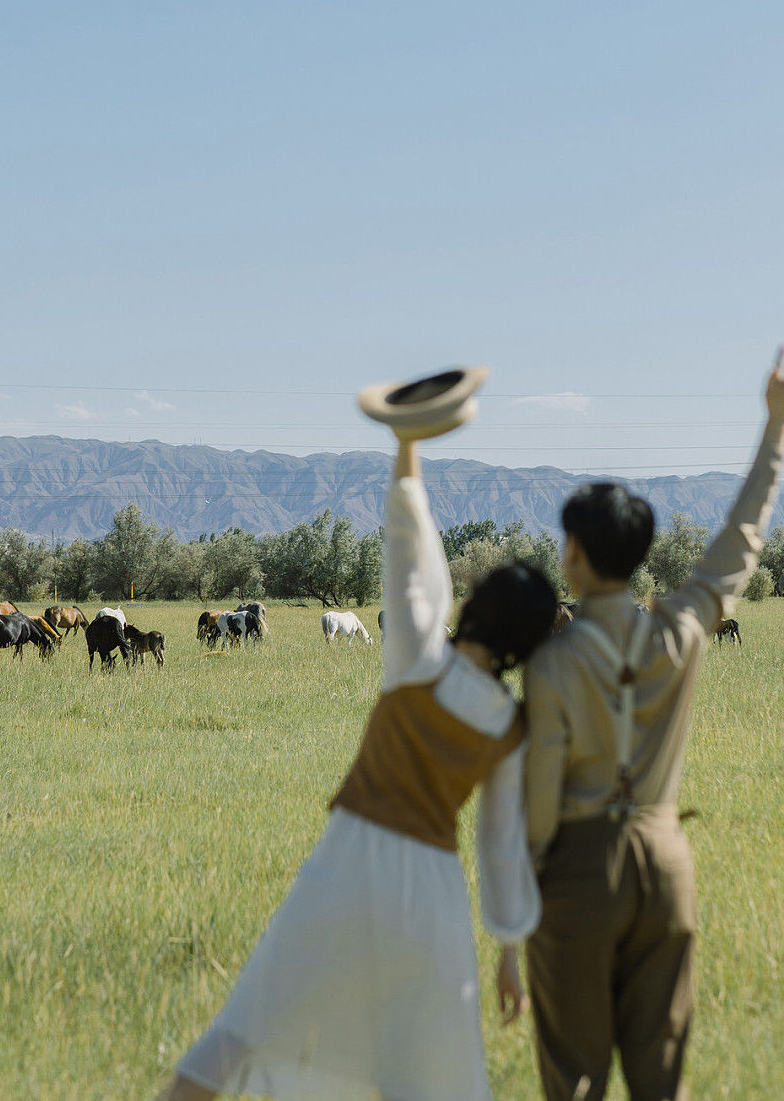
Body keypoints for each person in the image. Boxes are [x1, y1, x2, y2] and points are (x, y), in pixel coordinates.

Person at [161, 382, 557, 1101]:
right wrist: (508, 952)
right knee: (432, 1073)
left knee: (247, 1028)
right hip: (432, 893)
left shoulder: (417, 664)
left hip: (346, 864)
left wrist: (407, 448)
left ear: (476, 607)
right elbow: (502, 844)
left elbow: (410, 569)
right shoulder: (510, 725)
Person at [522, 347, 784, 1101]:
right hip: (666, 861)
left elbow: (540, 803)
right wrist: (776, 428)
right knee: (662, 1078)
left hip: (580, 869)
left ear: (575, 553)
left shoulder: (551, 664)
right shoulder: (681, 630)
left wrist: (522, 904)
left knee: (575, 1078)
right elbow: (742, 539)